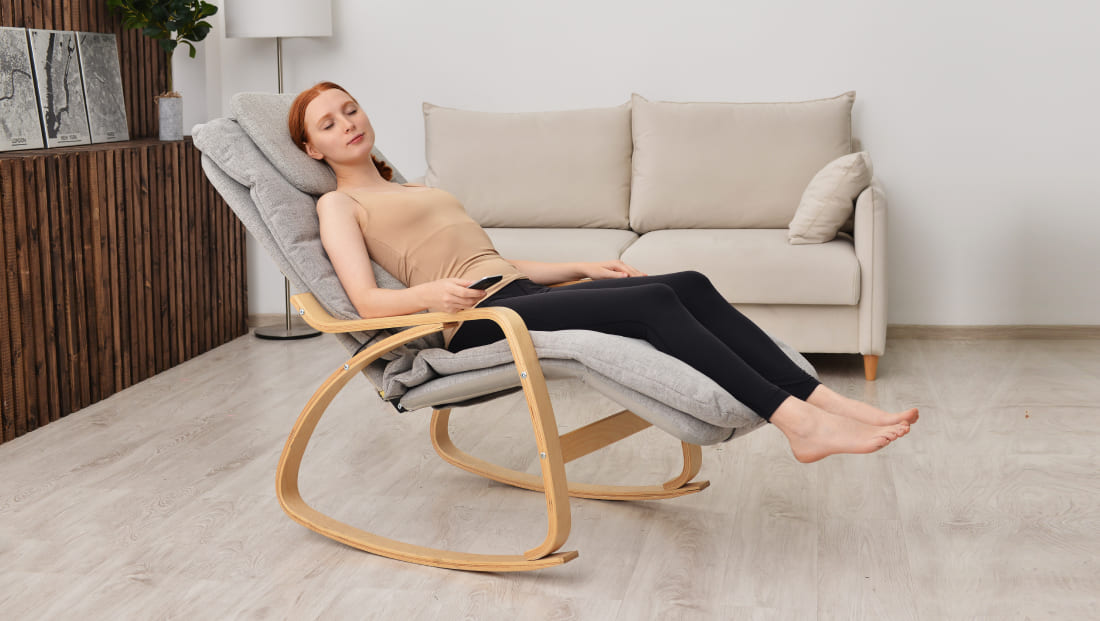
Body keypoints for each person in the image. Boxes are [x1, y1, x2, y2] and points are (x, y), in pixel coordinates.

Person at [288, 81, 917, 463]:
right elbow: (364, 303)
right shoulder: (339, 205)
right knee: (653, 306)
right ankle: (797, 424)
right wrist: (429, 294)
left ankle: (823, 399)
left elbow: (495, 262)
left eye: (351, 110)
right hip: (477, 322)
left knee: (688, 282)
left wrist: (578, 266)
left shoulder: (413, 187)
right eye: (329, 123)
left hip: (512, 292)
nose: (349, 124)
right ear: (314, 149)